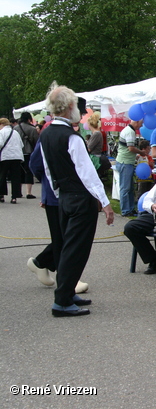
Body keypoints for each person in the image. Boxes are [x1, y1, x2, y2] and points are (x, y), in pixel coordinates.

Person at [39, 83, 114, 317]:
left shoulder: (47, 133)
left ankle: (67, 292)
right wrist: (105, 202)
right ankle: (62, 300)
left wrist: (59, 192)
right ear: (70, 106)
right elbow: (87, 173)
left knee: (67, 247)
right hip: (80, 198)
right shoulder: (71, 137)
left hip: (64, 196)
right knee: (76, 250)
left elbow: (49, 170)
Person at [27, 137, 89, 294]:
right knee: (62, 238)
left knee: (70, 237)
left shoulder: (72, 136)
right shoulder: (48, 137)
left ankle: (41, 263)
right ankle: (66, 280)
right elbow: (35, 165)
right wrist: (48, 185)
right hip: (56, 195)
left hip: (73, 193)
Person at [115, 117, 145, 216]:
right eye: (141, 123)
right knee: (125, 188)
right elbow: (131, 148)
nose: (141, 125)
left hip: (126, 161)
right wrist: (141, 152)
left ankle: (130, 209)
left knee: (129, 187)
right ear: (136, 122)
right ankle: (126, 210)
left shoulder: (128, 130)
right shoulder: (130, 132)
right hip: (125, 162)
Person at [14, 111, 39, 198]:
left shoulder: (15, 128)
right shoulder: (32, 129)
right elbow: (36, 142)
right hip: (29, 152)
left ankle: (18, 192)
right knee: (28, 171)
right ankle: (28, 192)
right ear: (29, 119)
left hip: (18, 152)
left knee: (18, 172)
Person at [0, 117, 24, 204]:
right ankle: (14, 197)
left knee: (2, 176)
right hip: (17, 156)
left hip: (5, 156)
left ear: (1, 124)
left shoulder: (1, 132)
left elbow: (0, 143)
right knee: (15, 177)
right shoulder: (15, 132)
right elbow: (21, 144)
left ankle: (1, 195)